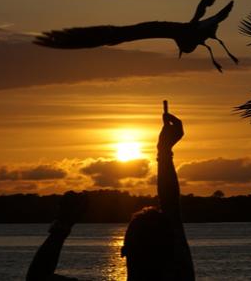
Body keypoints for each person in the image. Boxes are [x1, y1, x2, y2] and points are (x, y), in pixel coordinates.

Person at [27, 102, 195, 281]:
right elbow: (171, 208)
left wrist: (62, 226)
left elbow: (37, 278)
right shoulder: (183, 276)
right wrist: (164, 151)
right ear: (174, 248)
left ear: (124, 251)